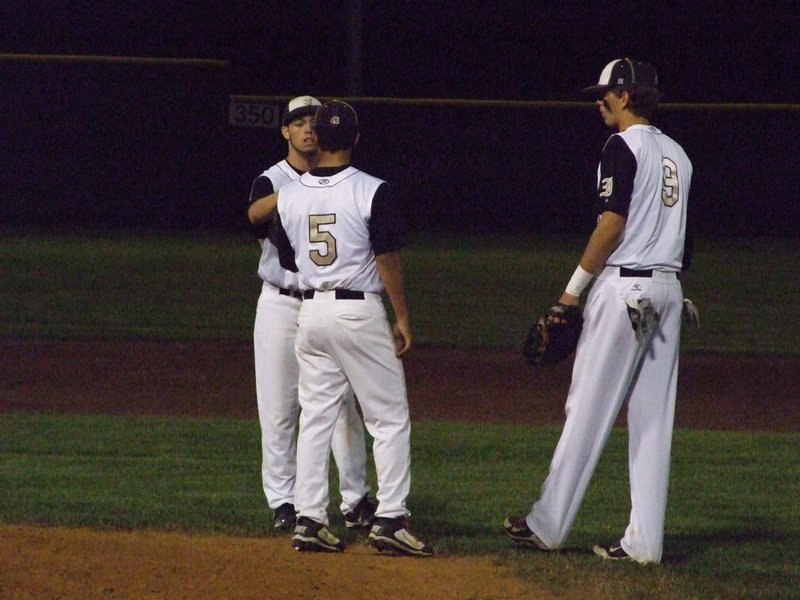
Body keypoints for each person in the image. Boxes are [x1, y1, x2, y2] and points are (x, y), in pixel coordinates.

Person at [504, 59, 693, 564]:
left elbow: (611, 226)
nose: (598, 100)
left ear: (627, 95)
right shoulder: (679, 153)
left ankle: (547, 524)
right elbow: (683, 235)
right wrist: (675, 284)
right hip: (668, 293)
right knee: (653, 419)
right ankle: (645, 543)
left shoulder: (620, 146)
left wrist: (570, 295)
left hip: (627, 290)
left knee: (587, 406)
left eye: (606, 92)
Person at [248, 100, 433, 557]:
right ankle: (391, 517)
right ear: (353, 139)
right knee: (388, 417)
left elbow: (286, 255)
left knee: (316, 417)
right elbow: (388, 257)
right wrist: (402, 315)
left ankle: (310, 518)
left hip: (310, 314)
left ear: (321, 140)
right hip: (358, 312)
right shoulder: (373, 189)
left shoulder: (289, 193)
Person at [247, 95, 375, 534]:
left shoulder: (338, 179)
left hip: (324, 305)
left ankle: (356, 499)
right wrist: (293, 191)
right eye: (297, 122)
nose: (306, 128)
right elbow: (252, 214)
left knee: (342, 406)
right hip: (281, 304)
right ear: (285, 131)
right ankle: (284, 500)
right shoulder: (274, 179)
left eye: (313, 121)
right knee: (280, 407)